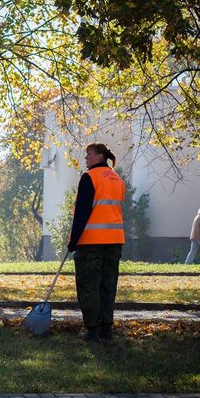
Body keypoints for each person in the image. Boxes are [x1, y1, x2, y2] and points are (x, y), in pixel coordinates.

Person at [67, 143, 126, 342]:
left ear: (100, 156)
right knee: (108, 286)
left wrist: (73, 241)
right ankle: (106, 330)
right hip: (115, 241)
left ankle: (92, 330)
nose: (86, 158)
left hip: (91, 243)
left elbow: (82, 213)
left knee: (89, 285)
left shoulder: (89, 177)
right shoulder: (117, 179)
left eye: (89, 155)